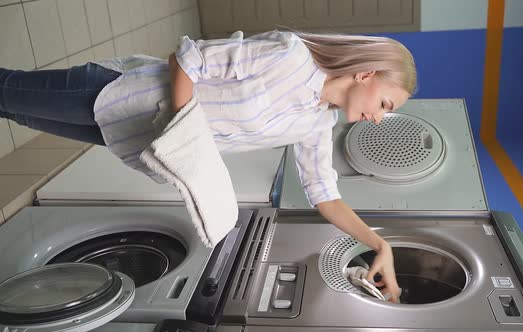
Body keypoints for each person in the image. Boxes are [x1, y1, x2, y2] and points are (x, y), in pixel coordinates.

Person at [0, 30, 416, 302]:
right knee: (7, 91)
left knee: (15, 113)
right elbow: (187, 59)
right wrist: (185, 137)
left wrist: (379, 245)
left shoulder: (316, 122)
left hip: (131, 134)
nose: (379, 117)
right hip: (119, 94)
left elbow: (324, 194)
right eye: (385, 104)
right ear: (366, 73)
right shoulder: (290, 57)